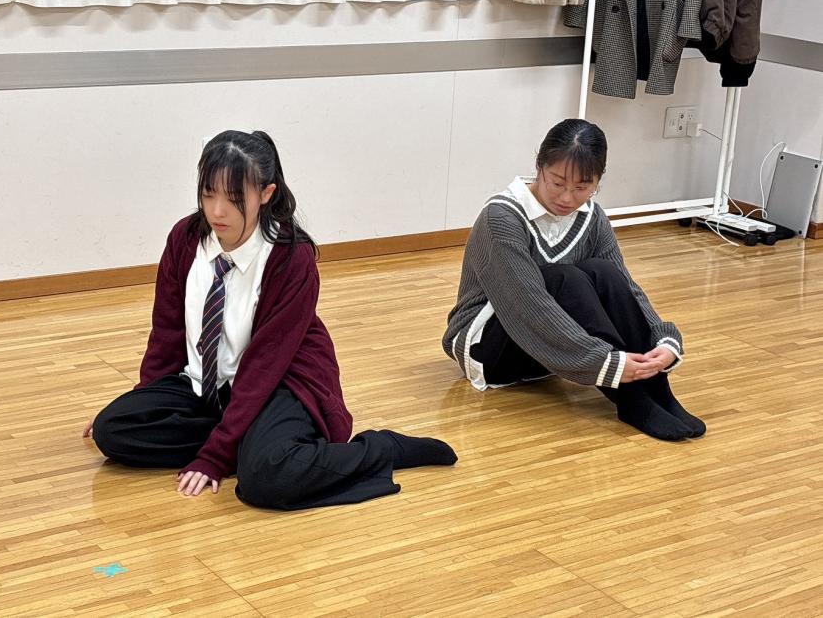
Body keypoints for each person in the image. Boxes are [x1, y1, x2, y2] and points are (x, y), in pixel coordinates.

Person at [85, 130, 456, 510]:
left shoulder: (290, 257)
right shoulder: (185, 238)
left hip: (280, 382)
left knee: (268, 479)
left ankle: (381, 450)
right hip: (211, 387)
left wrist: (215, 456)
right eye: (208, 194)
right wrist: (145, 403)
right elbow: (167, 333)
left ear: (266, 193)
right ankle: (249, 441)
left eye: (233, 198)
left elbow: (264, 366)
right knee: (113, 430)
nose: (217, 211)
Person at [443, 119, 704, 441]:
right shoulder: (501, 218)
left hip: (556, 354)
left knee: (603, 271)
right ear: (539, 167)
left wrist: (663, 340)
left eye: (582, 187)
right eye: (557, 183)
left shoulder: (592, 217)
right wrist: (606, 363)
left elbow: (626, 287)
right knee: (564, 278)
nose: (567, 198)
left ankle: (657, 390)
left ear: (598, 181)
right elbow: (529, 305)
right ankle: (632, 400)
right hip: (489, 350)